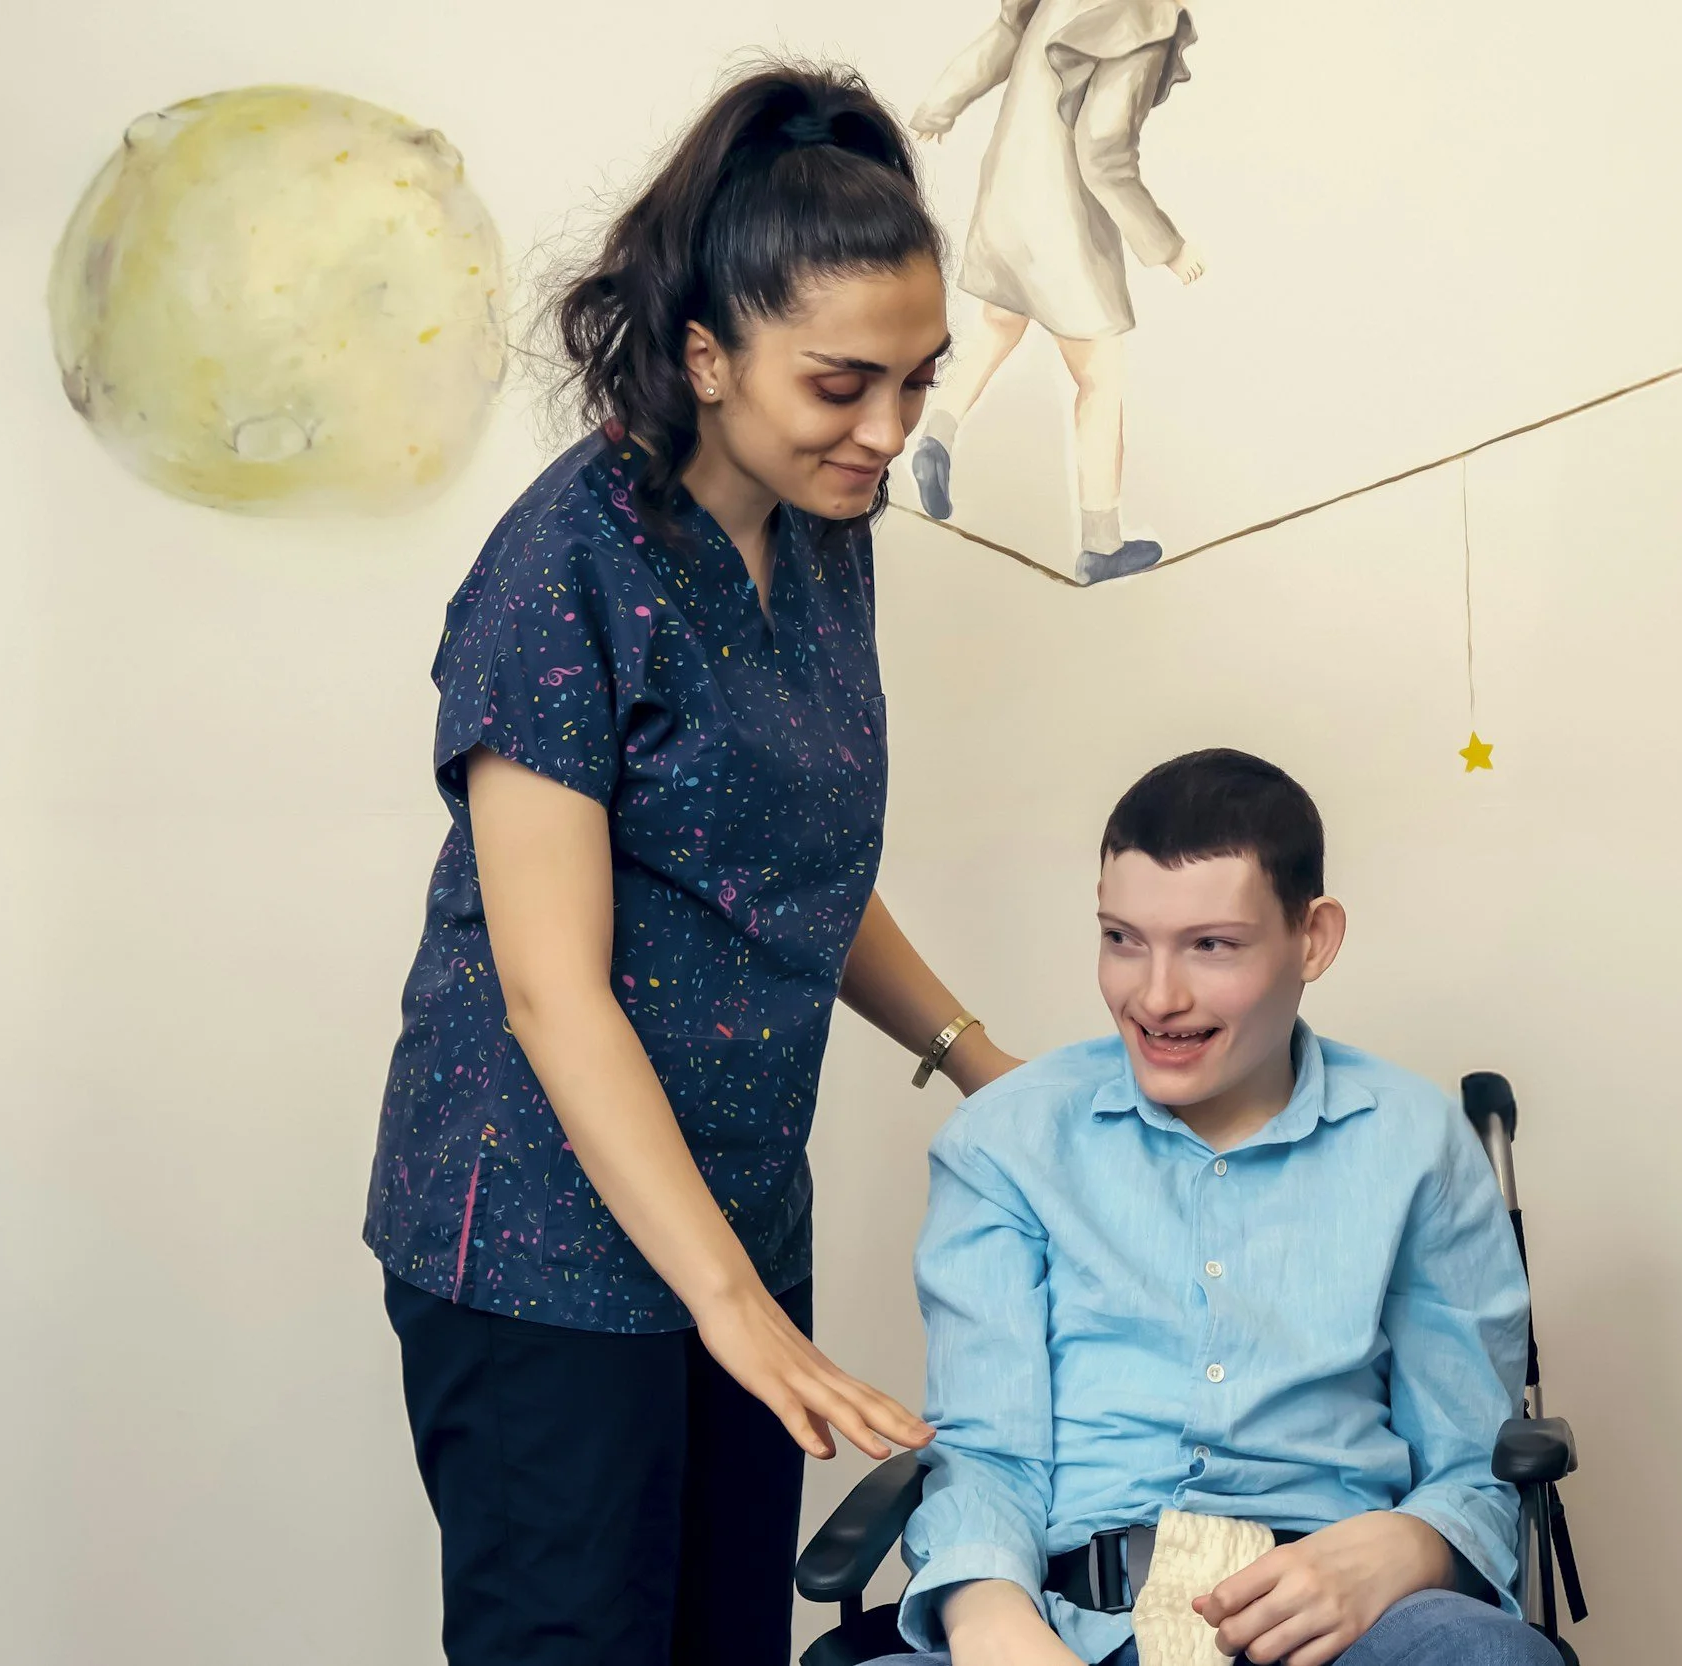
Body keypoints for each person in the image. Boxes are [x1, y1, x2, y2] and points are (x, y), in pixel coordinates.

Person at [361, 63, 1022, 1666]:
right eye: (843, 384)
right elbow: (550, 988)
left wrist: (982, 1064)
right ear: (707, 354)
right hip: (539, 1247)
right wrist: (732, 1307)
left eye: (917, 382)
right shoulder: (562, 570)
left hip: (737, 1216)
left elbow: (785, 865)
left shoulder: (823, 534)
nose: (889, 432)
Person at [873, 750, 1561, 1666]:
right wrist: (990, 1622)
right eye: (1123, 939)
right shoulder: (1006, 1140)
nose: (1157, 997)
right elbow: (986, 1454)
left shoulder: (1415, 1143)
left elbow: (1470, 1467)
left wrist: (1413, 1545)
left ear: (1313, 938)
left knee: (1481, 1656)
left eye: (1212, 946)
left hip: (1346, 1622)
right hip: (1073, 1624)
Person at [907, 0, 1206, 586]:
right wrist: (1168, 246)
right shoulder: (1144, 16)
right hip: (1064, 225)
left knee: (997, 328)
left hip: (1008, 194)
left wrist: (940, 106)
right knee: (1100, 380)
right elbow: (1103, 151)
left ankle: (936, 434)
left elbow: (1001, 39)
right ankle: (1101, 543)